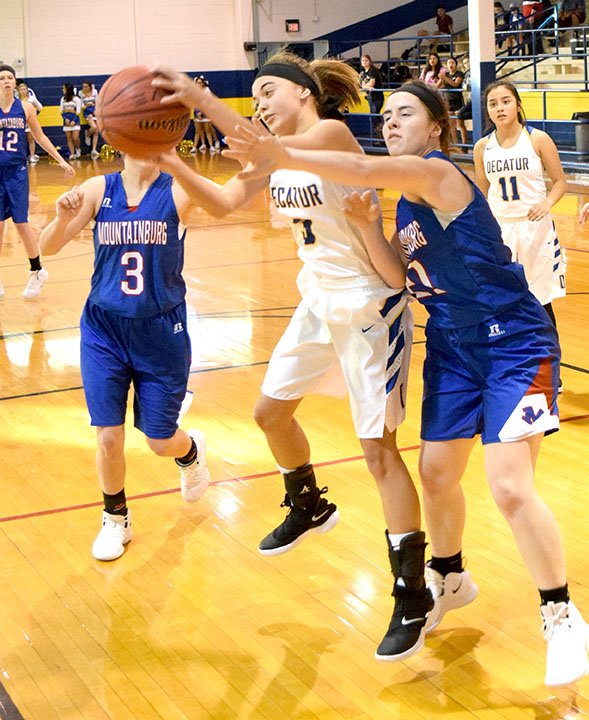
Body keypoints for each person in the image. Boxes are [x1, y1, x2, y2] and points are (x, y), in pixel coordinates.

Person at [223, 79, 589, 688]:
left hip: (516, 346)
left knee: (508, 485)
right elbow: (393, 275)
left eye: (405, 114)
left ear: (437, 128)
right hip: (452, 347)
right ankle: (450, 577)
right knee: (437, 474)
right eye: (386, 114)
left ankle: (561, 613)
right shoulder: (408, 204)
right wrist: (368, 225)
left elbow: (360, 163)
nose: (391, 122)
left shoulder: (439, 176)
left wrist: (283, 155)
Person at [152, 54, 434, 661]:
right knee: (269, 413)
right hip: (315, 300)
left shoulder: (326, 133)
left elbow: (270, 151)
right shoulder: (276, 154)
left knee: (379, 453)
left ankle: (413, 591)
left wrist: (199, 97)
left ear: (305, 93)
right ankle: (308, 503)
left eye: (267, 89)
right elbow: (227, 203)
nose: (259, 102)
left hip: (367, 304)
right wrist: (173, 162)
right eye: (251, 95)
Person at [39, 152, 213, 561]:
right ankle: (116, 519)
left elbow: (226, 200)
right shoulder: (100, 189)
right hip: (104, 329)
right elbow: (48, 247)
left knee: (158, 441)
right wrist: (62, 217)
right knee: (109, 435)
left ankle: (190, 452)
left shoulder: (178, 190)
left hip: (160, 331)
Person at [473, 81, 567, 366]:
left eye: (505, 101)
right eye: (493, 103)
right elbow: (482, 194)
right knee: (502, 300)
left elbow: (560, 182)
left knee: (540, 301)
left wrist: (547, 203)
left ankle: (551, 369)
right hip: (501, 231)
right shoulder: (482, 147)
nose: (499, 108)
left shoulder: (537, 139)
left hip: (535, 229)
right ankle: (515, 362)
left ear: (517, 104)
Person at [0, 64, 74, 300]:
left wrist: (61, 160)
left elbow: (40, 136)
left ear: (15, 82)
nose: (6, 81)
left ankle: (37, 271)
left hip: (17, 173)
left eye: (10, 77)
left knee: (22, 224)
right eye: (1, 78)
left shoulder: (26, 108)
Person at [190, 76, 220, 154]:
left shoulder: (207, 90)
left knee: (207, 130)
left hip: (206, 113)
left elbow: (207, 102)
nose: (199, 84)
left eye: (200, 82)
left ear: (203, 83)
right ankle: (195, 147)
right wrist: (197, 113)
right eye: (197, 82)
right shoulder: (194, 91)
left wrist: (202, 113)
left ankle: (211, 146)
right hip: (197, 113)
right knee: (198, 131)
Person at [439, 57, 464, 145]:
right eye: (449, 63)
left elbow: (455, 84)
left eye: (452, 63)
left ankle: (464, 145)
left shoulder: (459, 74)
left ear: (456, 64)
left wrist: (445, 78)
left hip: (457, 100)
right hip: (448, 101)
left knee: (460, 123)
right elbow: (437, 86)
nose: (451, 65)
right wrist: (441, 79)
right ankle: (456, 144)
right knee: (451, 125)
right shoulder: (446, 75)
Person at [16, 81, 42, 163]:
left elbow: (40, 107)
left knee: (31, 139)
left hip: (30, 122)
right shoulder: (16, 100)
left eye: (24, 89)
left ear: (27, 90)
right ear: (18, 91)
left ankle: (32, 156)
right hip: (20, 122)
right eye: (21, 89)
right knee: (21, 140)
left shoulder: (32, 99)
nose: (23, 91)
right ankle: (23, 157)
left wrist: (33, 115)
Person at [60, 83, 82, 159]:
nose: (62, 90)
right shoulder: (63, 99)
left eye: (64, 88)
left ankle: (78, 149)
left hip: (75, 121)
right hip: (66, 121)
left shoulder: (76, 99)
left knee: (76, 137)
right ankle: (72, 153)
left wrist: (74, 120)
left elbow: (78, 111)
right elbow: (61, 111)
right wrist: (65, 119)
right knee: (69, 137)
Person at [80, 81, 99, 159]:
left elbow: (97, 102)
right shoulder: (80, 93)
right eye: (83, 86)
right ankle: (87, 134)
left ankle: (93, 150)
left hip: (95, 111)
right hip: (87, 112)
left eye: (86, 86)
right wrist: (87, 106)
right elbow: (81, 105)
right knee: (94, 127)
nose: (84, 88)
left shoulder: (94, 92)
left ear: (90, 87)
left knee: (96, 131)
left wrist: (96, 109)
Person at [455, 55, 471, 151]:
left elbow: (467, 86)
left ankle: (465, 145)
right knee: (460, 116)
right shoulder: (466, 74)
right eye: (465, 63)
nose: (467, 64)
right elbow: (464, 86)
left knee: (460, 114)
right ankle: (464, 144)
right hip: (469, 99)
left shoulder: (473, 72)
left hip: (476, 99)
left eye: (468, 62)